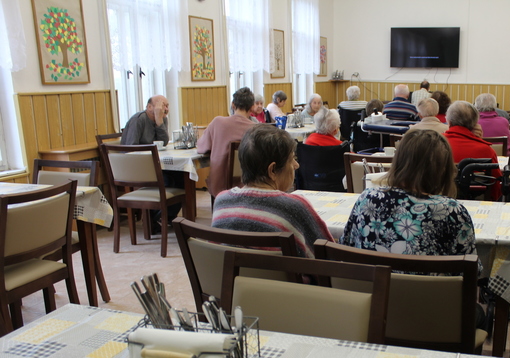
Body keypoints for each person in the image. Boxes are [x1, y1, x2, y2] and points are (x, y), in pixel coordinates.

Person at [340, 129, 478, 259]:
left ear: (398, 161)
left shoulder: (368, 198)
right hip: (428, 278)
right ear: (443, 170)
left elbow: (345, 247)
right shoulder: (452, 212)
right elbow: (470, 269)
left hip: (370, 277)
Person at [212, 125, 334, 258]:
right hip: (282, 273)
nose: (296, 165)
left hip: (230, 272)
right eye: (292, 159)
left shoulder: (221, 201)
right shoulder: (294, 208)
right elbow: (329, 257)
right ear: (273, 170)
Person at [121, 94, 181, 232]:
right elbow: (130, 149)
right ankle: (152, 220)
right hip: (136, 167)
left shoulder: (162, 119)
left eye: (167, 106)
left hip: (155, 165)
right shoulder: (139, 120)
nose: (165, 109)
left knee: (181, 176)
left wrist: (159, 121)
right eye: (162, 105)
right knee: (166, 181)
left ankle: (167, 216)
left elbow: (164, 142)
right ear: (149, 107)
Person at [197, 87, 257, 198]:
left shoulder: (218, 122)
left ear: (233, 105)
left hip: (219, 184)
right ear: (252, 107)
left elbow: (201, 147)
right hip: (247, 185)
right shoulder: (255, 129)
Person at [444, 101, 502, 200]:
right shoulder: (486, 150)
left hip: (442, 203)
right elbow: (497, 186)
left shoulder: (436, 144)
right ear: (475, 123)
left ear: (449, 122)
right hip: (478, 204)